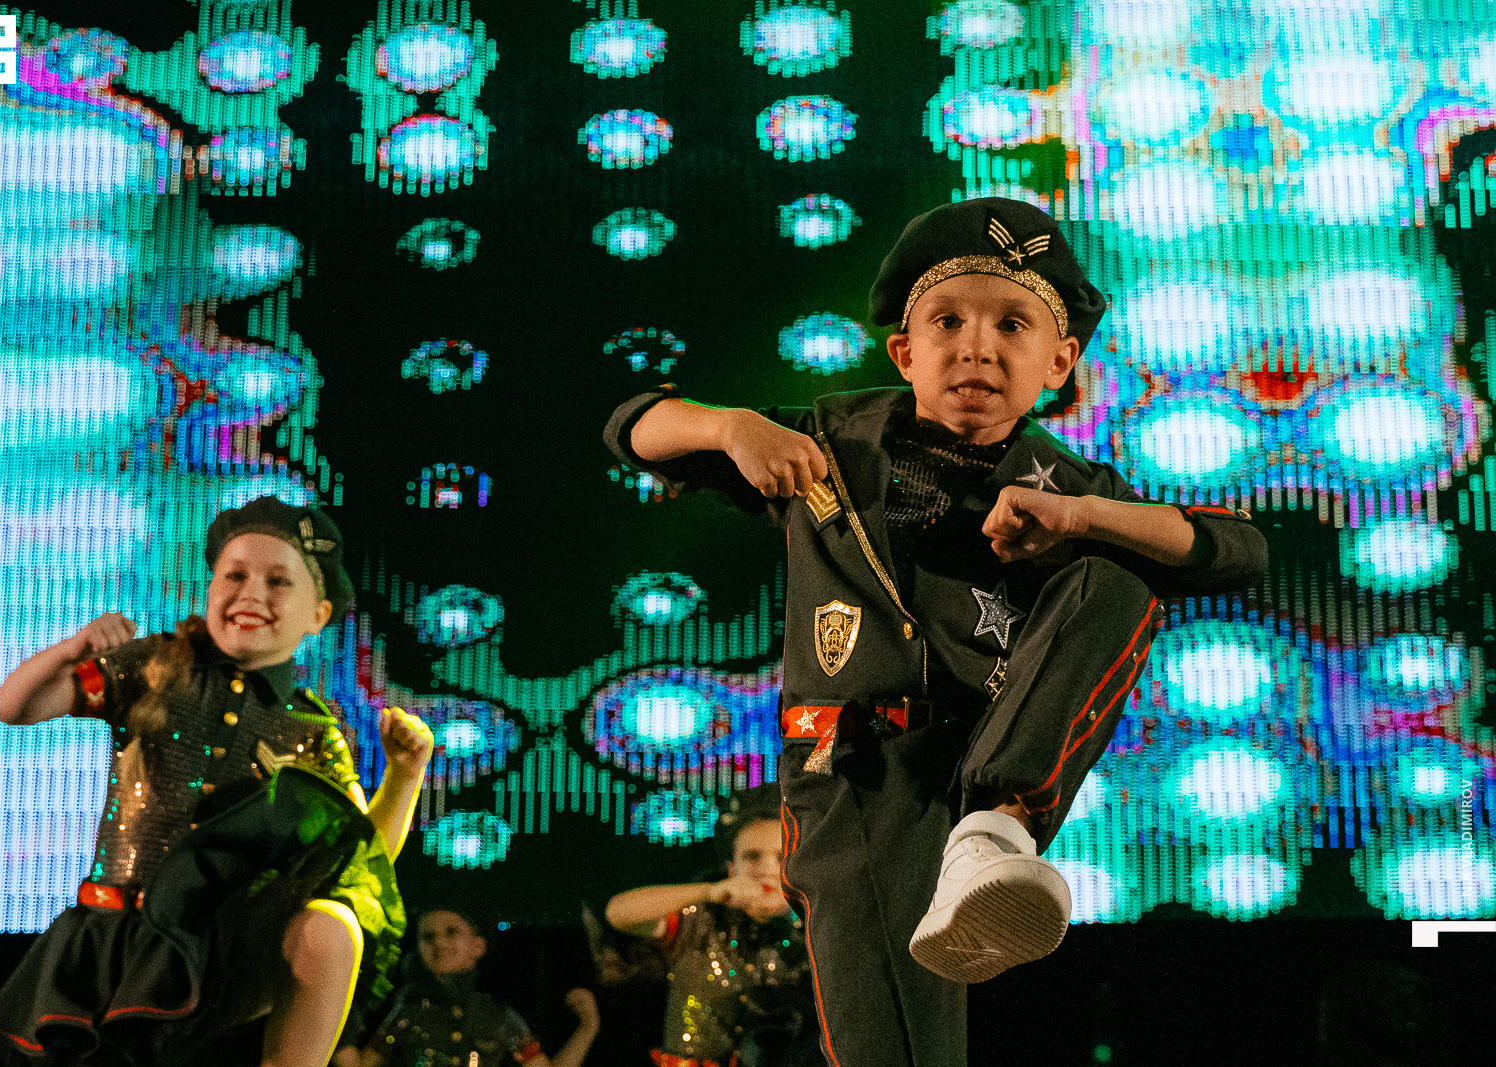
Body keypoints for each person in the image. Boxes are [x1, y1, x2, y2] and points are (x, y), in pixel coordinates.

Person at [603, 197, 1268, 1066]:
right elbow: (633, 427)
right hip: (851, 772)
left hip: (977, 761)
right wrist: (732, 428)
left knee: (1123, 572)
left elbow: (1240, 550)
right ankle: (978, 845)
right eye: (947, 321)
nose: (976, 346)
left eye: (1012, 324)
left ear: (1060, 361)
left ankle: (995, 827)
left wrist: (1082, 517)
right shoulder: (831, 440)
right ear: (905, 353)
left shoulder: (1068, 482)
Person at [0, 495, 435, 1067]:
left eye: (278, 581)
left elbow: (359, 859)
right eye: (234, 575)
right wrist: (70, 653)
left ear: (318, 615)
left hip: (218, 957)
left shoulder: (315, 730)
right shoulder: (158, 666)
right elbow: (13, 707)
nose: (252, 594)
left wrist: (405, 775)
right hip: (115, 943)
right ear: (210, 589)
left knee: (331, 926)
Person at [605, 787, 817, 1067]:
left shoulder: (814, 929)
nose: (767, 868)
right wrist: (707, 891)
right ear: (732, 868)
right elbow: (618, 914)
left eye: (780, 857)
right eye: (752, 856)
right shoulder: (701, 919)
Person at [334, 905, 600, 1067]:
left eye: (452, 932)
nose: (439, 943)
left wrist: (588, 1026)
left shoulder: (498, 1016)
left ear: (478, 946)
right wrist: (334, 1015)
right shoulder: (406, 1013)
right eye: (428, 936)